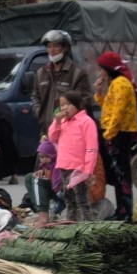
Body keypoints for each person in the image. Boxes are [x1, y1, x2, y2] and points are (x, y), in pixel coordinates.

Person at [94, 51, 137, 221]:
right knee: (118, 175)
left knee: (121, 176)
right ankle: (122, 210)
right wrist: (99, 93)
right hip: (115, 133)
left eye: (101, 70)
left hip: (119, 135)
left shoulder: (121, 83)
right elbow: (109, 108)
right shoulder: (115, 83)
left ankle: (126, 213)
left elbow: (118, 113)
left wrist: (109, 134)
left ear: (108, 68)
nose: (100, 73)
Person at [48, 92, 100, 223]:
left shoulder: (86, 122)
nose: (64, 108)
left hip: (79, 168)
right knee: (69, 199)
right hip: (64, 165)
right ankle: (71, 224)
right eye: (62, 105)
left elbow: (92, 148)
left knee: (82, 199)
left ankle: (88, 225)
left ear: (78, 105)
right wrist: (57, 121)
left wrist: (88, 169)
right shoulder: (63, 122)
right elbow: (52, 137)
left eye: (68, 104)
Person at [32, 30, 92, 135]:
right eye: (49, 46)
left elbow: (84, 101)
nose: (52, 50)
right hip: (47, 132)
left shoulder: (77, 73)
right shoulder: (41, 73)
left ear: (65, 48)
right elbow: (35, 96)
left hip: (69, 132)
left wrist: (64, 115)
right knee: (43, 152)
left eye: (56, 46)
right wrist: (40, 112)